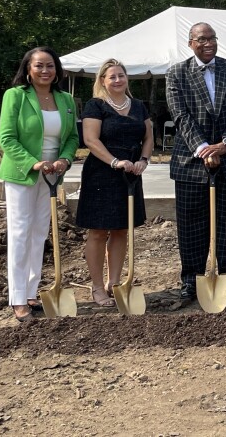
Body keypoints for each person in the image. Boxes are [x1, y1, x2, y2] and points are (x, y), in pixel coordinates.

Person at [166, 23, 226, 302]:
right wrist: (203, 148)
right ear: (190, 43)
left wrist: (225, 143)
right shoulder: (176, 73)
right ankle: (192, 280)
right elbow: (180, 115)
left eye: (212, 38)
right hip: (190, 162)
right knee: (191, 224)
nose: (208, 43)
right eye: (202, 39)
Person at [0, 47, 79, 321]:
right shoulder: (16, 96)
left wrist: (65, 160)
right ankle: (18, 298)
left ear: (57, 70)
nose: (45, 71)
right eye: (39, 66)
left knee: (40, 232)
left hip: (53, 174)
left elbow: (72, 138)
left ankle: (32, 293)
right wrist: (33, 162)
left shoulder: (66, 99)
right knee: (20, 232)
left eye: (50, 66)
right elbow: (7, 138)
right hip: (23, 173)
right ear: (28, 70)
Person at [75, 59, 154, 307]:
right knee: (98, 231)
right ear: (102, 81)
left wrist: (143, 160)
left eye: (121, 75)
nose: (118, 80)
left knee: (121, 229)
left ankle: (115, 282)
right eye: (112, 77)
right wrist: (114, 161)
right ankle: (97, 287)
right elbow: (90, 139)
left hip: (130, 173)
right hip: (102, 172)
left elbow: (149, 138)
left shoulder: (139, 106)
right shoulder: (95, 105)